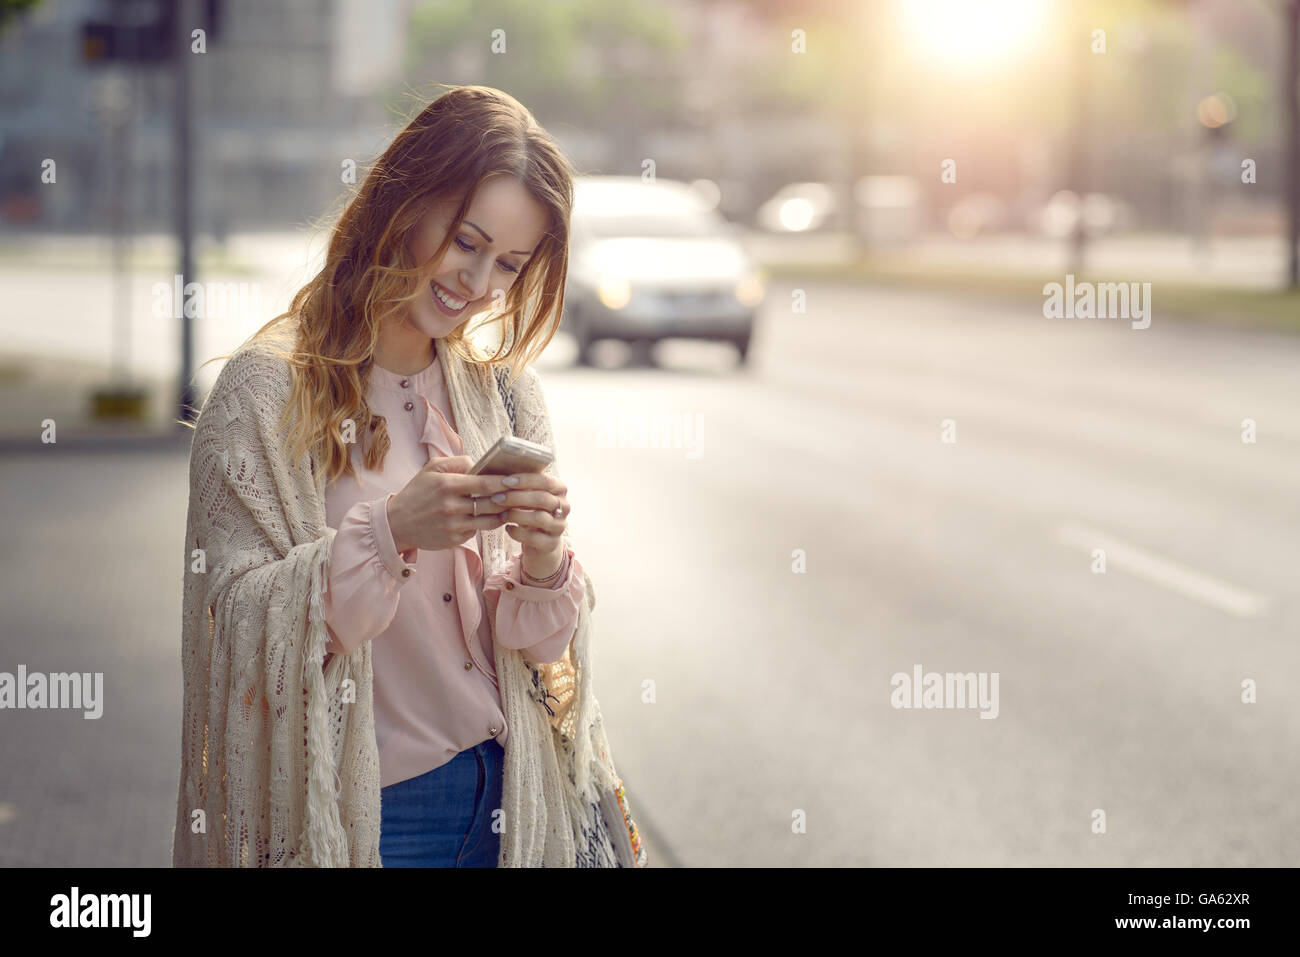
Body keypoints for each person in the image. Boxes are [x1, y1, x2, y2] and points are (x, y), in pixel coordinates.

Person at [173, 85, 621, 868]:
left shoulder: (503, 392)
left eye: (509, 264)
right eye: (466, 241)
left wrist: (546, 563)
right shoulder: (264, 390)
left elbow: (537, 652)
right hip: (368, 810)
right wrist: (390, 532)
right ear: (404, 202)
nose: (480, 284)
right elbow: (232, 629)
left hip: (514, 796)